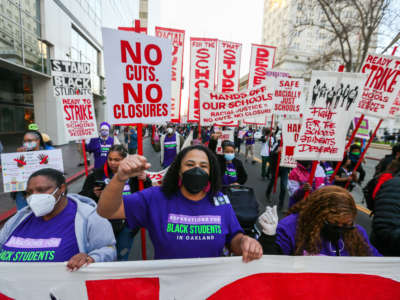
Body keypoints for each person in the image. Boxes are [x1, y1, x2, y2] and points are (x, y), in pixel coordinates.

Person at [97, 146, 263, 261]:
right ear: (178, 170)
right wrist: (120, 177)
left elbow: (234, 238)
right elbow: (106, 211)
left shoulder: (220, 201)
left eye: (203, 166)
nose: (196, 169)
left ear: (210, 172)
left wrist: (244, 243)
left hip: (209, 288)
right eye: (190, 164)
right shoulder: (156, 198)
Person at [0, 168, 116, 269]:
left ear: (62, 189)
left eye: (42, 190)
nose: (34, 196)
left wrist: (91, 258)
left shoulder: (89, 217)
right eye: (29, 192)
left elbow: (107, 250)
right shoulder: (18, 219)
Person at [258, 186, 381, 256]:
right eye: (334, 223)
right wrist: (268, 238)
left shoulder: (356, 232)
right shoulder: (290, 228)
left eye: (345, 225)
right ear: (316, 215)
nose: (340, 229)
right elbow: (270, 262)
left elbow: (375, 260)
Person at [80, 145, 152, 261]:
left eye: (117, 160)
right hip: (103, 224)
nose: (112, 163)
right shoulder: (96, 175)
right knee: (104, 257)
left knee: (122, 256)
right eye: (110, 159)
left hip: (127, 224)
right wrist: (94, 194)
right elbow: (82, 198)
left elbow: (146, 195)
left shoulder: (134, 175)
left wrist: (145, 180)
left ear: (124, 160)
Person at [13, 130, 55, 210]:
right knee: (24, 215)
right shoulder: (20, 153)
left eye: (29, 141)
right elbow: (15, 173)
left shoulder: (48, 153)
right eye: (24, 141)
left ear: (38, 141)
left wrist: (47, 163)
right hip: (23, 192)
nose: (26, 143)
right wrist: (17, 159)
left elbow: (56, 172)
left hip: (43, 190)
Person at [265, 133, 290, 211]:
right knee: (272, 182)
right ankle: (267, 193)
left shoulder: (292, 145)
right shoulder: (277, 143)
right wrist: (276, 152)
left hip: (285, 169)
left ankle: (281, 203)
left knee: (283, 186)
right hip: (276, 168)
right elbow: (270, 155)